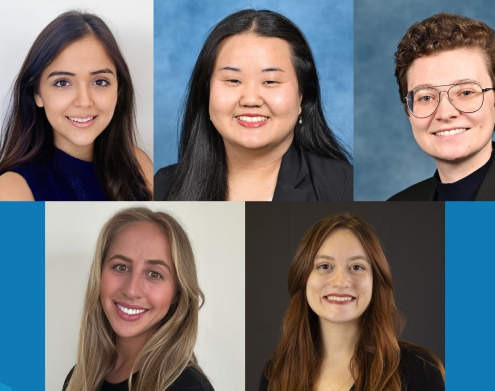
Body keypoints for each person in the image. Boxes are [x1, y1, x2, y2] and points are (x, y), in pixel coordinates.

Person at [154, 9, 352, 201]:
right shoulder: (164, 185)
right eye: (233, 80)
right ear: (206, 93)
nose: (250, 100)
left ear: (302, 96)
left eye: (270, 81)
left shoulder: (341, 185)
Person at [258, 214, 444, 391]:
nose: (341, 281)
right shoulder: (275, 375)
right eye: (324, 266)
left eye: (356, 267)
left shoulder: (420, 372)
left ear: (376, 281)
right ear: (303, 278)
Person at [61, 207, 216, 391]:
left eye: (154, 274)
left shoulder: (187, 389)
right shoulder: (77, 380)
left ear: (177, 293)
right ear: (98, 275)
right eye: (121, 267)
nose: (131, 290)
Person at [0, 11, 152, 201]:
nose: (84, 101)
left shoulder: (138, 163)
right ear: (37, 94)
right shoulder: (12, 192)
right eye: (62, 83)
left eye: (100, 82)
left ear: (118, 90)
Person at [389, 13, 495, 201]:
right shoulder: (400, 203)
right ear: (408, 111)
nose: (445, 113)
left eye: (466, 93)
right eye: (426, 97)